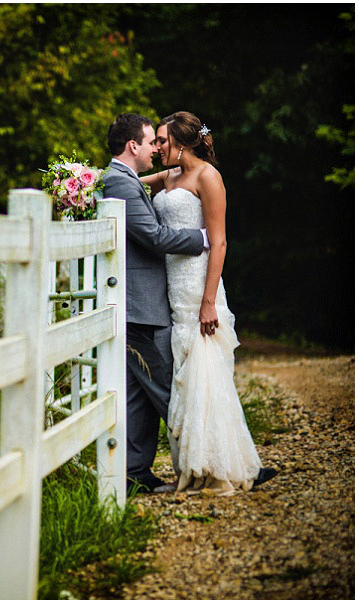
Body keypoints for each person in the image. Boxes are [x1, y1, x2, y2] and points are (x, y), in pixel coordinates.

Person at [140, 111, 277, 495]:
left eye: (163, 141)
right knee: (187, 380)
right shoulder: (168, 176)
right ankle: (197, 465)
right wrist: (82, 181)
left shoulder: (208, 178)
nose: (158, 148)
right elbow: (128, 181)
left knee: (207, 376)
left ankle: (218, 465)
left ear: (182, 143)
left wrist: (208, 302)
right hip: (171, 287)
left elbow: (218, 242)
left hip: (200, 286)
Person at [103, 114, 206, 495]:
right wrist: (201, 239)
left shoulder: (123, 179)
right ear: (133, 146)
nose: (154, 149)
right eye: (150, 143)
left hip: (138, 305)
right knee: (170, 390)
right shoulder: (120, 181)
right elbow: (151, 235)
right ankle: (210, 461)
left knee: (138, 395)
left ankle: (135, 473)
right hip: (143, 306)